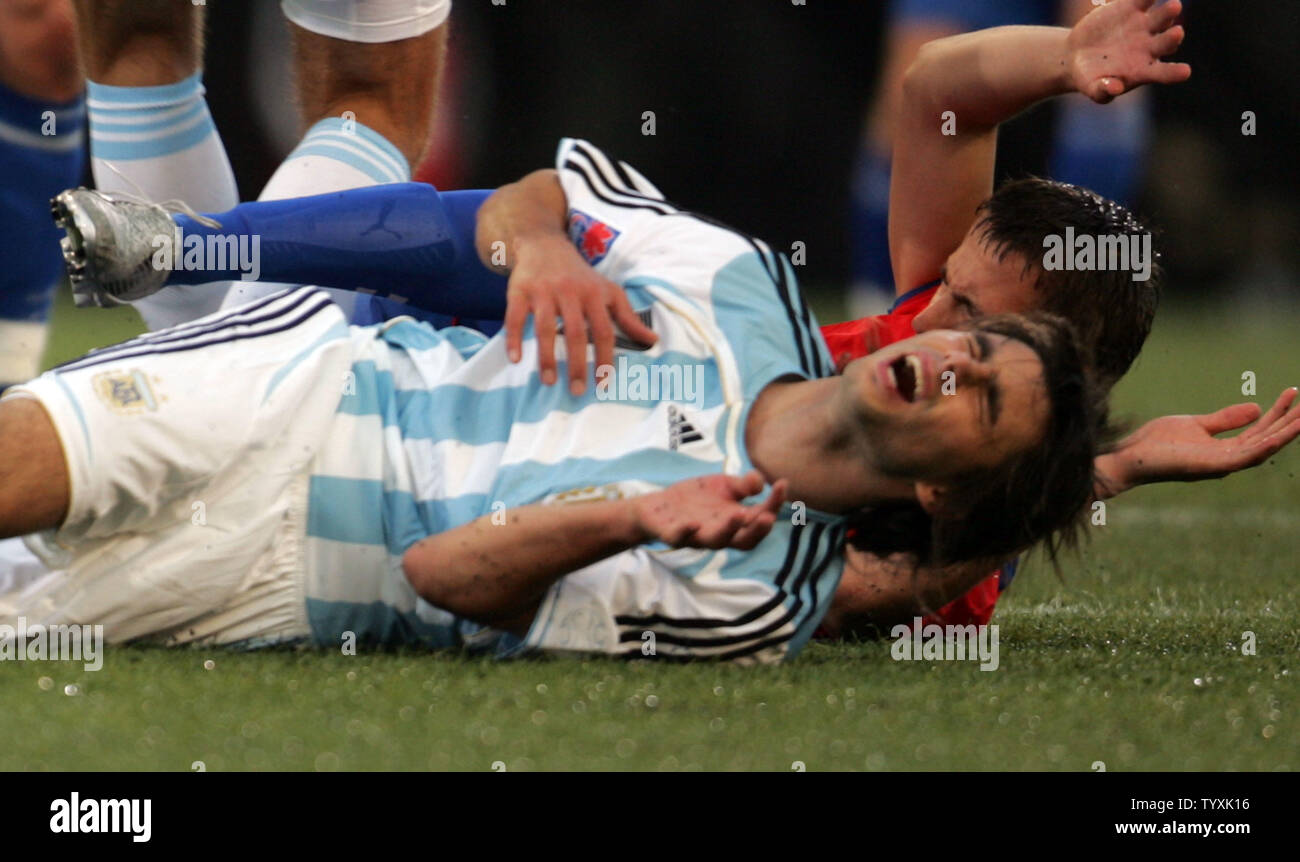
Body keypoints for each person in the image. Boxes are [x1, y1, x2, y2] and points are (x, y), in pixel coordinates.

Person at [0, 139, 1107, 663]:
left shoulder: (755, 598)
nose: (952, 355)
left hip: (289, 575)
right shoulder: (741, 281)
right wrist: (539, 246)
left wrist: (625, 518)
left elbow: (441, 576)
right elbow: (536, 193)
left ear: (939, 485)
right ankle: (185, 248)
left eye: (984, 398)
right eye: (976, 340)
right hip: (301, 387)